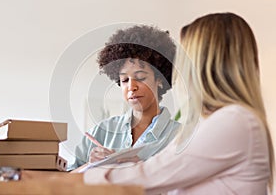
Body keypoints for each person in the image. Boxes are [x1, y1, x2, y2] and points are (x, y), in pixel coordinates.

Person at [83, 12, 274, 194]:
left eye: (185, 57)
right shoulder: (225, 121)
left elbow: (149, 176)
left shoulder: (234, 121)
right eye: (124, 80)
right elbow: (164, 177)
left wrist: (88, 175)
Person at [70, 25, 181, 169]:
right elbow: (67, 178)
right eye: (124, 80)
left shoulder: (179, 137)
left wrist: (142, 169)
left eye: (140, 78)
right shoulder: (103, 130)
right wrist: (89, 166)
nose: (131, 87)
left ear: (159, 79)